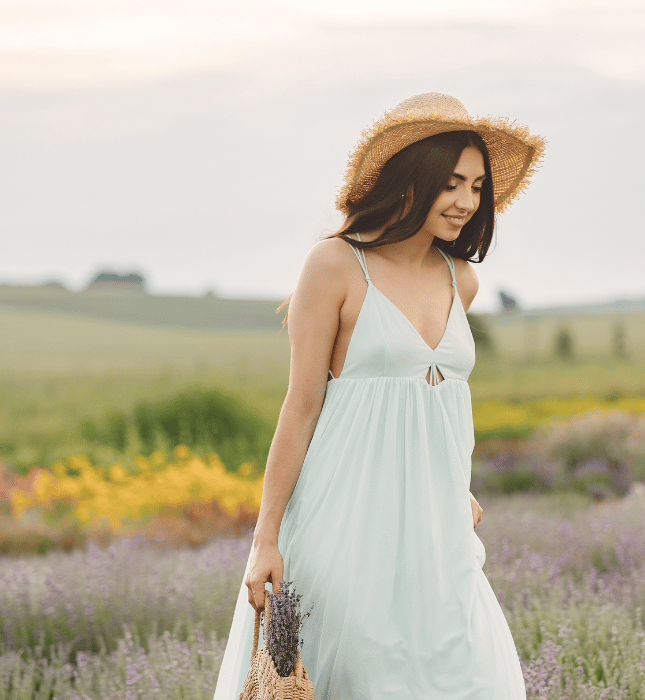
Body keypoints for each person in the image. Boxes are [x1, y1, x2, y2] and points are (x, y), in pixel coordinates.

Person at [213, 92, 545, 700]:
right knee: (357, 679)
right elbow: (302, 407)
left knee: (469, 676)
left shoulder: (460, 279)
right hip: (342, 523)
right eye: (451, 184)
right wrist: (265, 540)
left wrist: (452, 482)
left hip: (433, 529)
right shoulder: (335, 266)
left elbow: (427, 402)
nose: (467, 202)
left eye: (476, 186)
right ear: (411, 181)